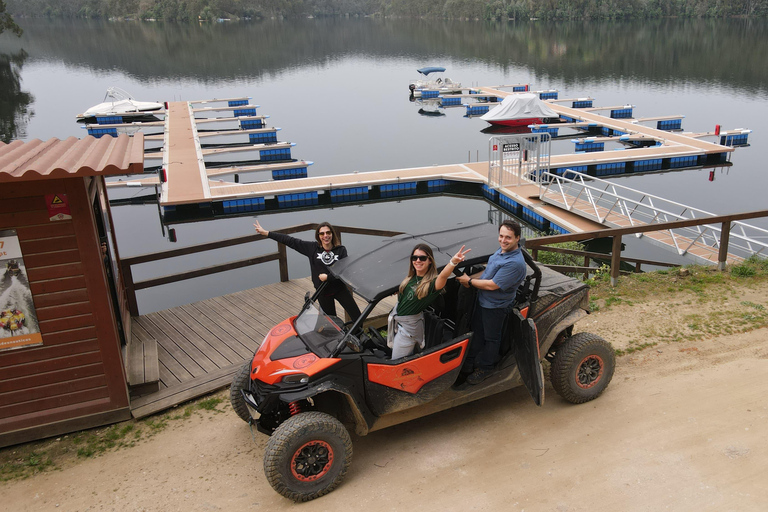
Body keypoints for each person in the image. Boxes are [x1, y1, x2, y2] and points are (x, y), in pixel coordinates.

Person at [457, 220, 527, 385]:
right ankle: (470, 363)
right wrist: (470, 278)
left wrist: (470, 282)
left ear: (517, 238)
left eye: (508, 237)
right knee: (477, 333)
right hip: (483, 302)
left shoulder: (515, 263)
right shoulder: (503, 251)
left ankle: (486, 368)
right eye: (501, 236)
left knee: (491, 338)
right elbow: (488, 271)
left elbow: (492, 284)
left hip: (495, 307)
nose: (503, 240)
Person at [254, 220, 362, 321]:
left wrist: (328, 277)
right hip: (323, 292)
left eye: (328, 232)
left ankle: (358, 337)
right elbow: (290, 240)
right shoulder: (312, 248)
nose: (325, 236)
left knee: (357, 317)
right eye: (322, 234)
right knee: (332, 323)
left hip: (340, 289)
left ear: (332, 234)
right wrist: (267, 233)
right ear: (318, 236)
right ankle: (341, 340)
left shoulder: (341, 250)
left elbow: (344, 270)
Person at [388, 244, 471, 359]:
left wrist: (453, 262)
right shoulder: (410, 278)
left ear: (430, 261)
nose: (418, 261)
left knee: (396, 361)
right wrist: (400, 291)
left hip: (408, 331)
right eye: (414, 257)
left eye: (422, 258)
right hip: (399, 322)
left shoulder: (431, 283)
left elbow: (443, 275)